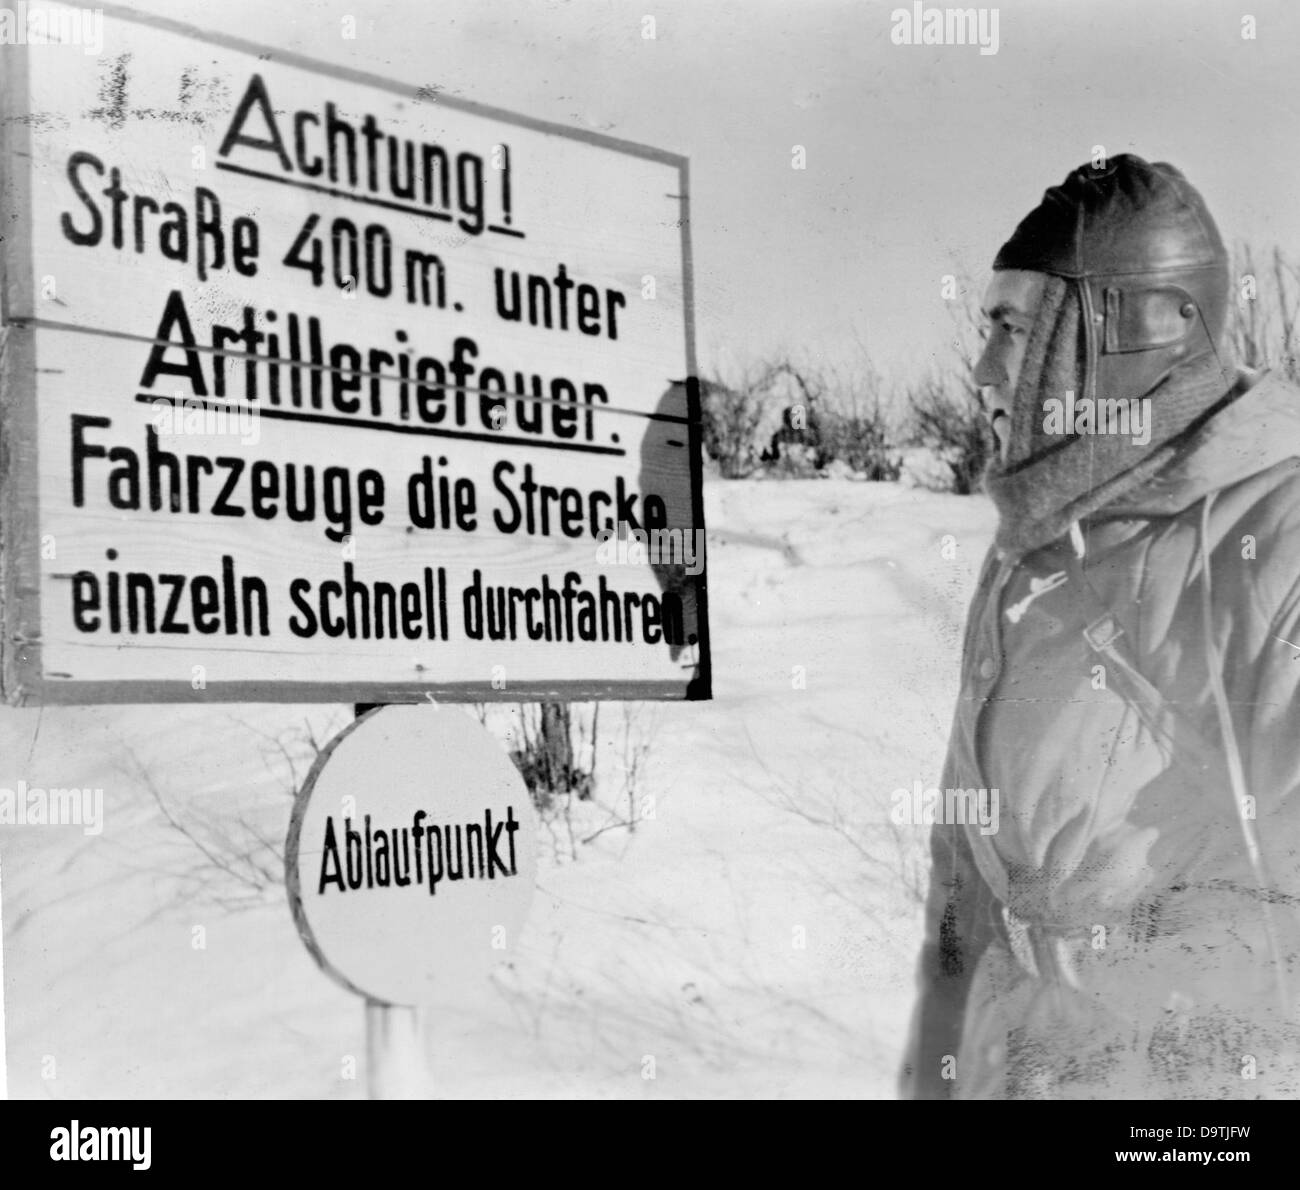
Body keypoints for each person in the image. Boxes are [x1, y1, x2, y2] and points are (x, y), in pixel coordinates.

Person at [899, 153, 1300, 1099]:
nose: (984, 368)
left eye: (1017, 327)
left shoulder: (1275, 539)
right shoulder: (1028, 551)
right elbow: (962, 879)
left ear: (1139, 328)